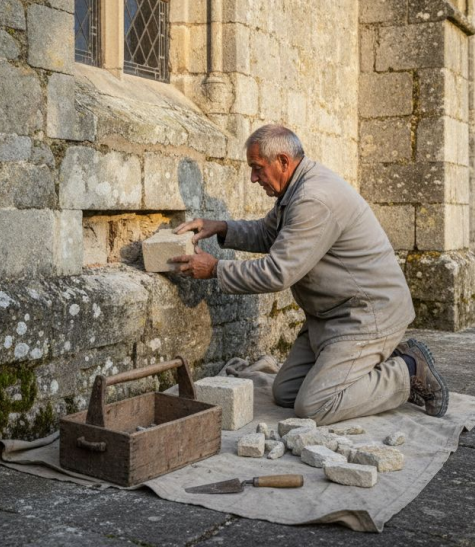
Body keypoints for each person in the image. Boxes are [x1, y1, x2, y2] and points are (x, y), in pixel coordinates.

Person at [170, 124, 449, 424]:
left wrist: (215, 269)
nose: (253, 178)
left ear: (282, 161)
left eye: (257, 168)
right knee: (286, 392)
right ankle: (371, 362)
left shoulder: (313, 198)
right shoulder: (296, 188)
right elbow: (269, 234)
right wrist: (222, 227)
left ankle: (408, 369)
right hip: (330, 316)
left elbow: (277, 272)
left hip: (367, 315)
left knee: (314, 406)